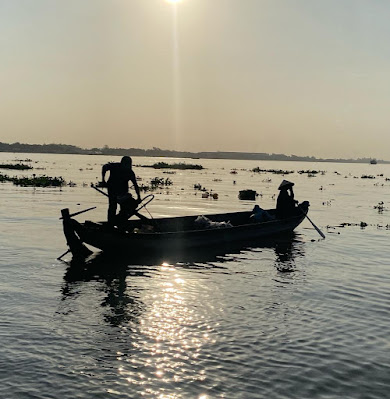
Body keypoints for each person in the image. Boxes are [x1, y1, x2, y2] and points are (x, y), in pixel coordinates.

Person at [101, 156, 141, 226]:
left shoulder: (130, 172)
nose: (127, 166)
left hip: (123, 192)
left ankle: (118, 220)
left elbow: (135, 185)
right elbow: (104, 167)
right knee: (113, 206)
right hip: (112, 189)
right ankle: (110, 223)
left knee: (130, 205)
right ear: (122, 163)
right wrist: (103, 180)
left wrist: (139, 197)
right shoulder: (115, 166)